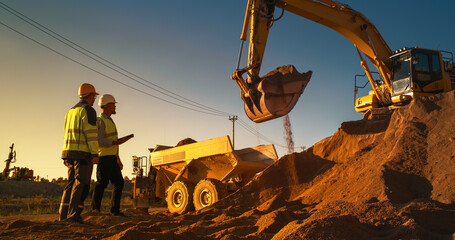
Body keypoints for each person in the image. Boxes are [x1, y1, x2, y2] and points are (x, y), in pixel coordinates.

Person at [59, 83, 100, 223]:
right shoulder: (89, 110)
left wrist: (65, 153)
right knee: (81, 184)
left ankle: (63, 215)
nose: (94, 99)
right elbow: (91, 134)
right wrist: (95, 153)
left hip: (68, 151)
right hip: (82, 153)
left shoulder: (70, 111)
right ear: (89, 95)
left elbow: (66, 133)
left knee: (70, 183)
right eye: (94, 96)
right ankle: (73, 215)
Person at [91, 94, 133, 216]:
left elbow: (114, 143)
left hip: (112, 157)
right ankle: (95, 210)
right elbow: (98, 139)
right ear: (107, 105)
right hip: (104, 157)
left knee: (119, 182)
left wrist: (118, 159)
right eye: (113, 104)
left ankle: (115, 210)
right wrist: (114, 142)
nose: (115, 107)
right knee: (101, 183)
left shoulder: (110, 121)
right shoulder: (100, 121)